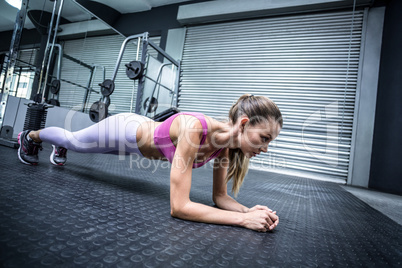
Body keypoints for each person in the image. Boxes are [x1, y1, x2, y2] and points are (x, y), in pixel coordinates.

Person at [17, 94, 283, 232]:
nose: (266, 148)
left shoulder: (225, 148)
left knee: (80, 146)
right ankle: (29, 136)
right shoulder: (195, 128)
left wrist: (247, 211)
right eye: (264, 138)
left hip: (137, 150)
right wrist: (242, 222)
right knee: (76, 142)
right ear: (245, 124)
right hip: (125, 130)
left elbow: (220, 197)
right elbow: (179, 207)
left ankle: (54, 142)